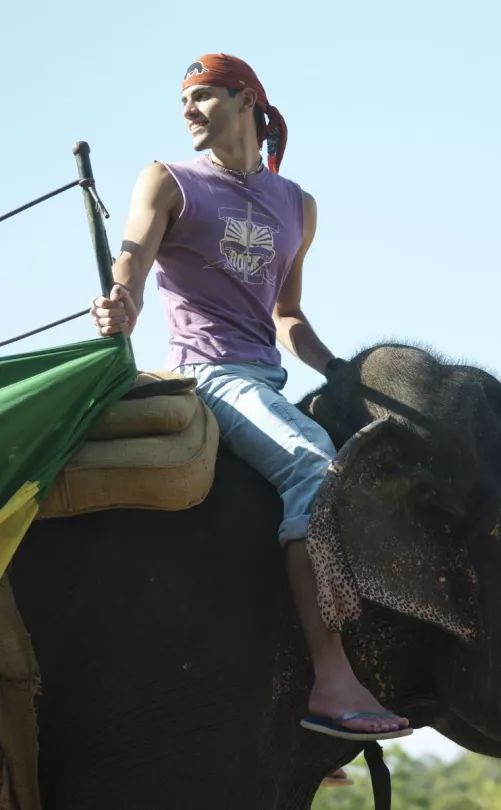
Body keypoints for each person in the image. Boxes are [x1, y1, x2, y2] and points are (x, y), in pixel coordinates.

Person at [89, 53, 410, 743]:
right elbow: (133, 260)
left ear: (246, 102)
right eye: (184, 100)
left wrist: (341, 371)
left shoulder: (297, 205)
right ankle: (332, 680)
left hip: (268, 377)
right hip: (207, 374)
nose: (188, 110)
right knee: (313, 466)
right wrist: (122, 300)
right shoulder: (169, 180)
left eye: (204, 96)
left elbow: (286, 315)